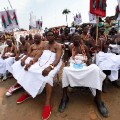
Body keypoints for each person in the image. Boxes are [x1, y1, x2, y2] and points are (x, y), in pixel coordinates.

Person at [6, 31, 63, 120]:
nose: (49, 37)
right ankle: (28, 92)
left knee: (48, 77)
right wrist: (31, 63)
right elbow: (40, 55)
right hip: (41, 62)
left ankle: (47, 103)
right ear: (46, 37)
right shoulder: (45, 45)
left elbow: (58, 59)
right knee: (28, 70)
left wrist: (50, 67)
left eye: (51, 35)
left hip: (53, 64)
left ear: (54, 36)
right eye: (47, 35)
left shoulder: (58, 46)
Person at [58, 32, 108, 117]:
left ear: (80, 39)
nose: (76, 40)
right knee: (65, 70)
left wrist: (89, 61)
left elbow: (88, 58)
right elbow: (65, 58)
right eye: (74, 39)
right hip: (73, 64)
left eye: (78, 38)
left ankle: (98, 99)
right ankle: (65, 97)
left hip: (83, 64)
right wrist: (66, 53)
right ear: (72, 39)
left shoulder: (84, 47)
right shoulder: (70, 47)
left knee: (96, 69)